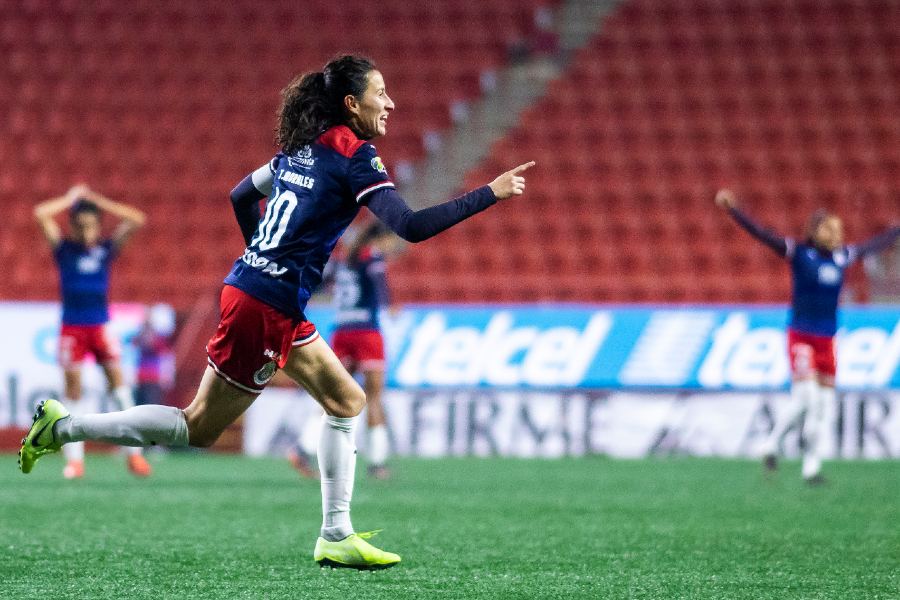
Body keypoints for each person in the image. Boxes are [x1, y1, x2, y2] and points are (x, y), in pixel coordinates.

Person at [20, 55, 534, 569]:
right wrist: (490, 192)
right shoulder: (356, 156)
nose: (391, 103)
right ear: (352, 104)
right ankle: (62, 429)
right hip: (266, 306)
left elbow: (241, 195)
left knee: (345, 400)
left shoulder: (301, 149)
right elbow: (411, 226)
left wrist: (261, 259)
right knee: (197, 428)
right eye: (382, 93)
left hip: (263, 295)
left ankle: (336, 534)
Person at [715, 189, 899, 484]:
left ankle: (809, 465)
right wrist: (734, 210)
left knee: (824, 407)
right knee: (806, 399)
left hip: (827, 340)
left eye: (838, 229)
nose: (836, 234)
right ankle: (773, 443)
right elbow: (762, 235)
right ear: (814, 231)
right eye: (829, 228)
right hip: (801, 337)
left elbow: (874, 245)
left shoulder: (843, 257)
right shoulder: (799, 253)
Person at [33, 184, 152, 479]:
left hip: (101, 326)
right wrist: (70, 198)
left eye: (91, 224)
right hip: (72, 327)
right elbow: (40, 213)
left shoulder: (105, 250)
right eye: (81, 224)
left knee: (120, 387)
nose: (86, 230)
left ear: (98, 225)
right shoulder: (64, 250)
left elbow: (137, 219)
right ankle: (75, 460)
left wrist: (99, 200)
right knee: (73, 391)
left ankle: (134, 456)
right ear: (73, 225)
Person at [289, 222, 401, 480]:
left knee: (333, 396)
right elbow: (378, 283)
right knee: (373, 397)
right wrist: (389, 305)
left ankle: (302, 449)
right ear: (380, 239)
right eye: (390, 241)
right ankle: (377, 463)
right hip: (366, 332)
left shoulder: (341, 261)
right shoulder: (372, 257)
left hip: (341, 331)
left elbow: (317, 283)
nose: (392, 246)